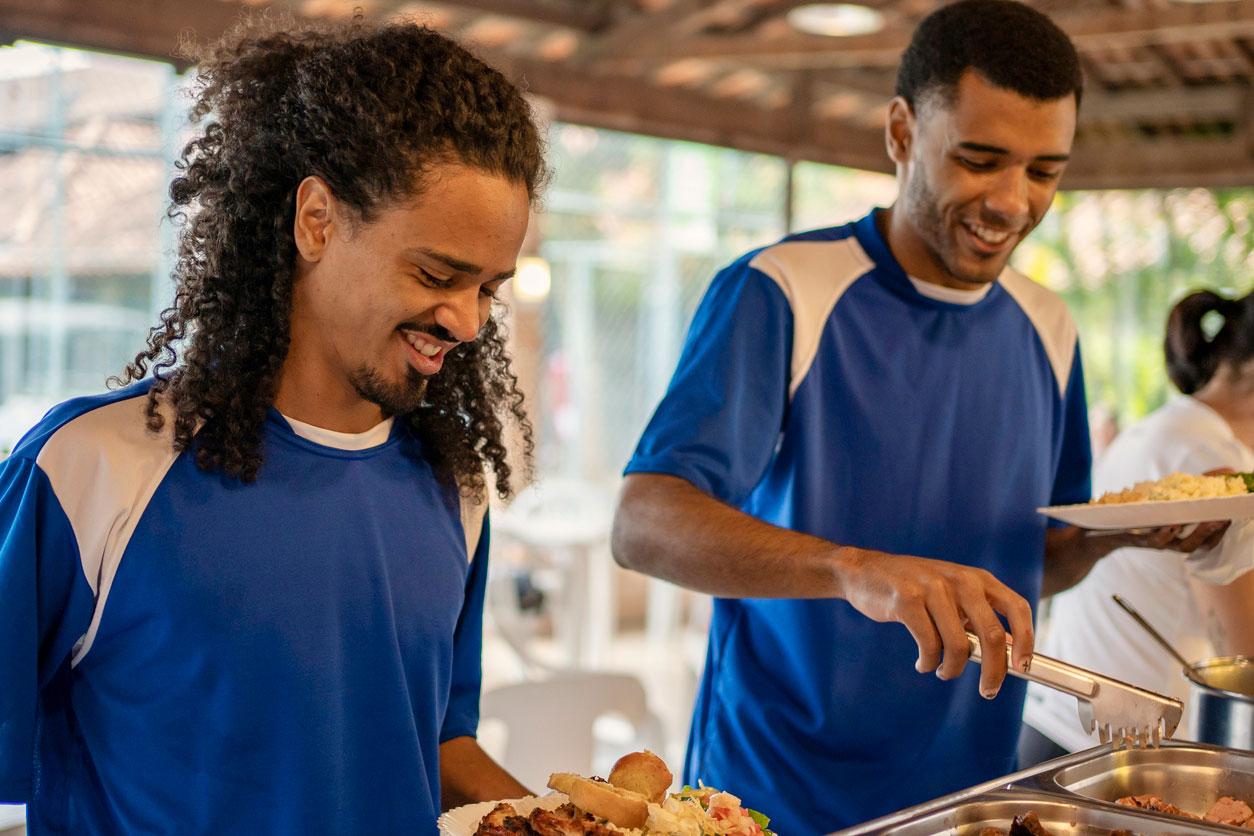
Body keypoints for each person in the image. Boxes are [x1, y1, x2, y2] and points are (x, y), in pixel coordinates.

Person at [610, 1, 1225, 831]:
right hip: (771, 796)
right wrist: (851, 568)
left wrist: (1131, 532)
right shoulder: (785, 290)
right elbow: (643, 521)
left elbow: (1037, 563)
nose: (1012, 202)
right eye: (980, 160)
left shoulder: (1049, 325)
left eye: (1044, 170)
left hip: (969, 797)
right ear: (901, 133)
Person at [0, 17, 545, 834]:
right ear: (317, 219)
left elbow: (429, 743)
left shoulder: (456, 489)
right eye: (438, 274)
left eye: (490, 289)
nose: (467, 321)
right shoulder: (89, 472)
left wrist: (580, 821)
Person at [1022, 289, 1254, 762]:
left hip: (1061, 729)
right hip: (1114, 749)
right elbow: (1243, 654)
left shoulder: (1164, 428)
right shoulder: (1211, 459)